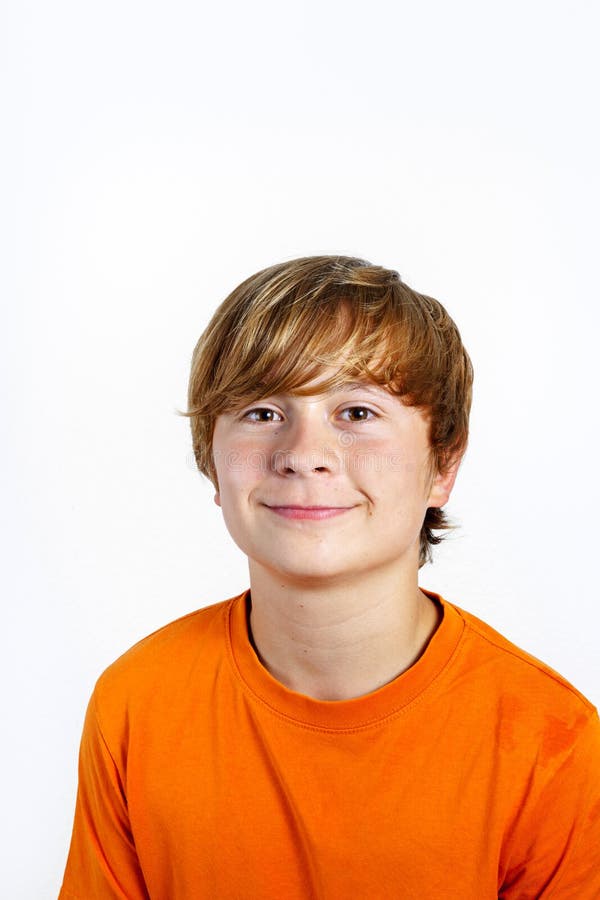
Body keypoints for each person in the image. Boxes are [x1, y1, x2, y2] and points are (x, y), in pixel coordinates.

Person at [59, 255, 600, 899]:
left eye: (358, 413)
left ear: (442, 465)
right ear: (212, 461)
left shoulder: (551, 742)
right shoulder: (135, 706)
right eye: (262, 412)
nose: (303, 455)